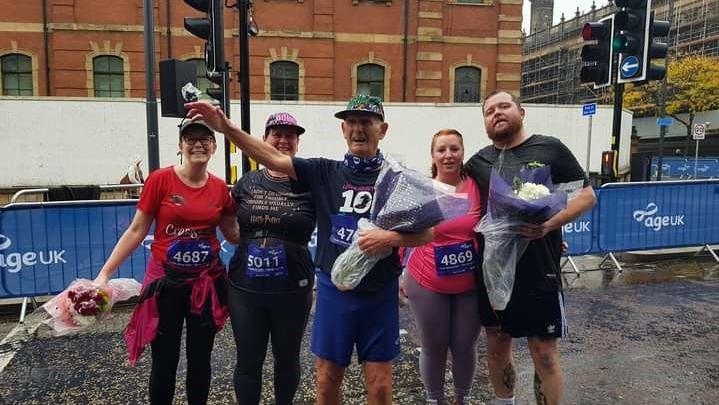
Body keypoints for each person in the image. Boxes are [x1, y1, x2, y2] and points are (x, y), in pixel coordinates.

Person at [185, 94, 434, 405]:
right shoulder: (324, 172)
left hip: (379, 290)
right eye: (352, 122)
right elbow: (271, 158)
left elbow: (427, 232)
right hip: (334, 289)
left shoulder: (397, 178)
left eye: (366, 122)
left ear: (382, 129)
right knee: (327, 380)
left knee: (381, 386)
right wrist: (225, 127)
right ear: (343, 130)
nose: (359, 129)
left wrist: (391, 239)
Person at [463, 90, 597, 405]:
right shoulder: (479, 161)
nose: (496, 113)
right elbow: (449, 191)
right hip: (493, 272)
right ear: (485, 122)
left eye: (504, 106)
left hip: (539, 268)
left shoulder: (549, 148)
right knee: (497, 345)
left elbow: (586, 196)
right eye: (489, 111)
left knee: (545, 353)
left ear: (521, 112)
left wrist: (549, 225)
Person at [94, 120, 239, 405]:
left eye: (205, 138)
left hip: (205, 285)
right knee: (165, 359)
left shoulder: (220, 188)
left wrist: (268, 233)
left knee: (200, 360)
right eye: (191, 138)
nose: (198, 143)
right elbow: (136, 230)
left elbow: (233, 234)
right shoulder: (160, 180)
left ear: (214, 146)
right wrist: (105, 275)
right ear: (180, 146)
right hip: (165, 284)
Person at [227, 112, 315, 405]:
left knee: (287, 360)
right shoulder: (247, 182)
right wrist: (242, 241)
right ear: (264, 140)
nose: (283, 140)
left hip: (292, 289)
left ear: (298, 143)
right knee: (248, 361)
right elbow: (228, 218)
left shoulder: (310, 184)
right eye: (276, 134)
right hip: (245, 289)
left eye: (290, 135)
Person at [399, 129, 482, 405]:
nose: (448, 155)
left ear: (462, 152)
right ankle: (434, 400)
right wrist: (399, 271)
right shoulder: (422, 188)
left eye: (454, 149)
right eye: (442, 150)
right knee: (433, 347)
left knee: (464, 346)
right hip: (426, 281)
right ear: (432, 156)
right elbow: (403, 230)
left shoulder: (477, 186)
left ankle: (462, 399)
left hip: (469, 283)